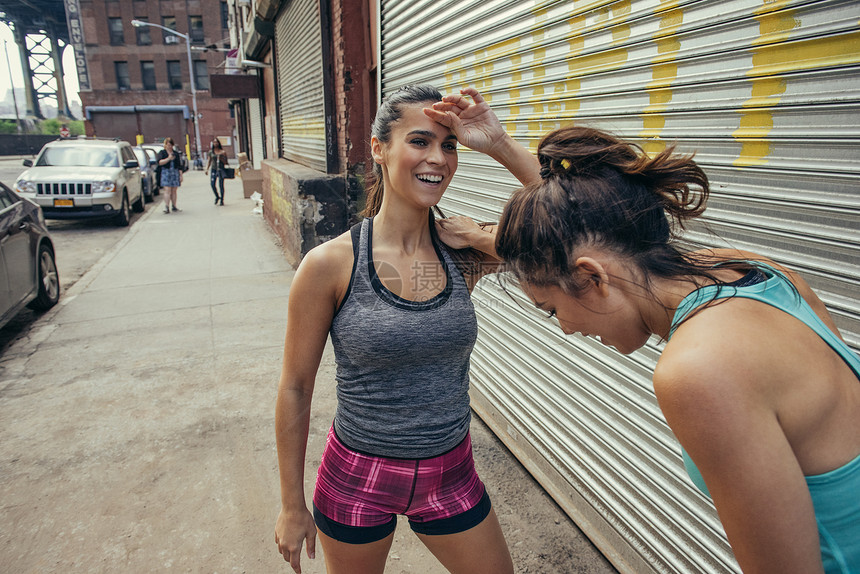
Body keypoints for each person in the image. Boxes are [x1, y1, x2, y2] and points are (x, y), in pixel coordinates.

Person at [427, 89, 860, 574]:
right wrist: (501, 145)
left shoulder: (699, 371)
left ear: (592, 278)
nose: (566, 330)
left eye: (551, 310)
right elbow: (581, 227)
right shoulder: (757, 273)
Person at [273, 85, 522, 574]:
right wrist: (290, 504)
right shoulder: (329, 265)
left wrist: (499, 145)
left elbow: (570, 237)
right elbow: (295, 387)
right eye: (420, 141)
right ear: (379, 148)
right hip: (357, 477)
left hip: (451, 473)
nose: (439, 158)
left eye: (449, 145)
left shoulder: (463, 255)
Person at [157, 137, 183, 213]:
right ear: (165, 145)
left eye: (171, 145)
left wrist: (180, 175)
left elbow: (179, 165)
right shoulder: (162, 153)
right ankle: (166, 206)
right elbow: (159, 162)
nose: (169, 147)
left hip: (174, 172)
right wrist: (168, 158)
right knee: (167, 190)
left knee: (174, 190)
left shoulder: (176, 153)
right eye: (168, 145)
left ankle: (174, 206)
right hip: (166, 172)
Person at [205, 139, 229, 205]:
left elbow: (226, 162)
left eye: (216, 142)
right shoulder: (211, 152)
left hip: (221, 169)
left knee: (221, 184)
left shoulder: (223, 152)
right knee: (212, 184)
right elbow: (209, 161)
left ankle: (222, 199)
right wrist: (206, 169)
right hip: (214, 169)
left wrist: (222, 158)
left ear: (219, 143)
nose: (215, 144)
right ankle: (217, 196)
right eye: (214, 142)